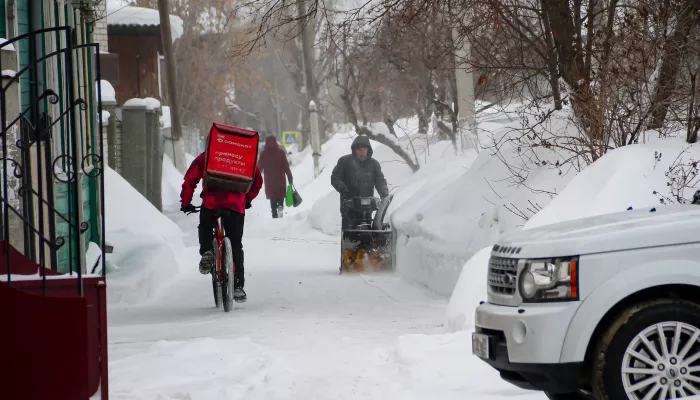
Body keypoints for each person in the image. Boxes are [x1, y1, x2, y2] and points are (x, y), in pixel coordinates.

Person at [180, 153, 263, 303]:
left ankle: (207, 251)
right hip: (236, 204)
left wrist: (185, 202)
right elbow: (257, 181)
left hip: (212, 201)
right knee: (236, 244)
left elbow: (190, 179)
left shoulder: (208, 155)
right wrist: (247, 199)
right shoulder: (243, 157)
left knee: (205, 226)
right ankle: (237, 286)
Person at [330, 135, 389, 229]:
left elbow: (380, 180)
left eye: (364, 149)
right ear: (354, 150)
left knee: (368, 230)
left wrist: (384, 193)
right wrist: (344, 189)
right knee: (349, 233)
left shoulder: (374, 164)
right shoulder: (345, 161)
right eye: (359, 150)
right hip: (349, 205)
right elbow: (335, 178)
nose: (362, 152)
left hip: (367, 206)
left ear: (368, 150)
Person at [258, 135, 293, 218]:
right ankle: (280, 206)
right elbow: (286, 167)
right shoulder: (281, 153)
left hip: (270, 180)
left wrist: (255, 179)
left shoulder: (264, 154)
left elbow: (259, 168)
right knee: (280, 194)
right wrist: (290, 178)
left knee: (272, 196)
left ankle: (274, 213)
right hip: (280, 179)